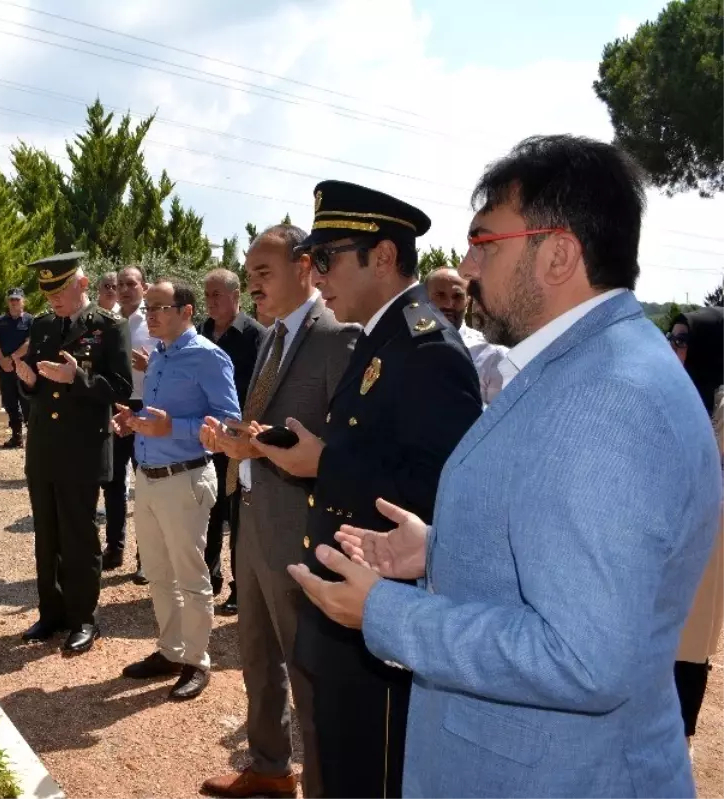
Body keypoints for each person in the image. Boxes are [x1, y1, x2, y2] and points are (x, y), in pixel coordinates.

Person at [294, 136, 723, 798]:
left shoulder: (610, 397)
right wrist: (439, 552)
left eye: (484, 242)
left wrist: (386, 612)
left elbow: (585, 657)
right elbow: (565, 563)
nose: (465, 266)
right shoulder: (584, 366)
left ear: (558, 254)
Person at [251, 180, 482, 799]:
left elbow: (441, 493)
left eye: (327, 258)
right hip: (349, 608)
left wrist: (323, 465)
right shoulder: (382, 335)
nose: (315, 273)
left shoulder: (424, 345)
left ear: (381, 257)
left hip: (381, 616)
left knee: (371, 774)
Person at [199, 226, 358, 799]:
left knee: (308, 670)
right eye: (249, 273)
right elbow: (270, 425)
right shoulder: (271, 338)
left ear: (304, 268)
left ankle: (323, 784)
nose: (252, 284)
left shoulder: (339, 336)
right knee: (257, 654)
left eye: (262, 273)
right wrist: (236, 439)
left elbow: (344, 444)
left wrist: (261, 446)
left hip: (301, 528)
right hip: (254, 516)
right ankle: (269, 768)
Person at [113, 278, 240, 700]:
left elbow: (228, 423)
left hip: (185, 478)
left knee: (191, 576)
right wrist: (132, 421)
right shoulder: (160, 357)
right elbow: (155, 415)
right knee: (158, 573)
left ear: (186, 312)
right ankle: (170, 651)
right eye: (148, 308)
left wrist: (175, 428)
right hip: (148, 478)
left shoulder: (209, 357)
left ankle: (197, 661)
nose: (150, 315)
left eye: (159, 307)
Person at [15, 252, 132, 655]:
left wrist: (77, 378)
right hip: (45, 446)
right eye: (47, 292)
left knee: (79, 538)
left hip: (82, 449)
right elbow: (32, 384)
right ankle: (52, 614)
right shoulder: (44, 325)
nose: (52, 300)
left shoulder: (109, 327)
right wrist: (27, 382)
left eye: (59, 290)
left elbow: (120, 388)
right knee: (46, 536)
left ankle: (83, 619)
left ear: (82, 284)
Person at [668, 305, 724, 759]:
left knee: (686, 652)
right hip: (658, 546)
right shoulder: (669, 394)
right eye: (671, 337)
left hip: (704, 550)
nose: (673, 346)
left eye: (683, 340)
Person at [199, 268, 265, 614]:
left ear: (236, 296)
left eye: (216, 295)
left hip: (240, 442)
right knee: (209, 511)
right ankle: (210, 577)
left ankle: (242, 587)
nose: (209, 301)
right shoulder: (202, 333)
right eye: (207, 295)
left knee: (239, 517)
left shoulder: (257, 336)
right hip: (207, 439)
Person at [101, 264, 157, 584]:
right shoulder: (109, 323)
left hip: (146, 408)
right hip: (115, 407)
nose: (124, 289)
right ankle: (114, 546)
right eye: (120, 284)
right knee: (112, 481)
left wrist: (150, 366)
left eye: (131, 284)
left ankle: (144, 556)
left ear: (144, 288)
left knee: (145, 484)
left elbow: (167, 364)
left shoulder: (153, 323)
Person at [425, 268, 509, 405]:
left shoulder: (493, 355)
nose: (449, 304)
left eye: (457, 296)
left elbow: (501, 416)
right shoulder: (404, 347)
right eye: (440, 295)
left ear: (467, 301)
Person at [0, 287, 33, 449]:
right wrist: (2, 360)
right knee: (9, 402)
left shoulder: (30, 320)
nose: (14, 302)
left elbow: (30, 342)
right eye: (11, 299)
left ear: (23, 301)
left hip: (23, 367)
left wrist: (12, 358)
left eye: (17, 299)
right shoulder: (0, 320)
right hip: (5, 369)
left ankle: (33, 437)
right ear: (8, 302)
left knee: (27, 401)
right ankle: (16, 437)